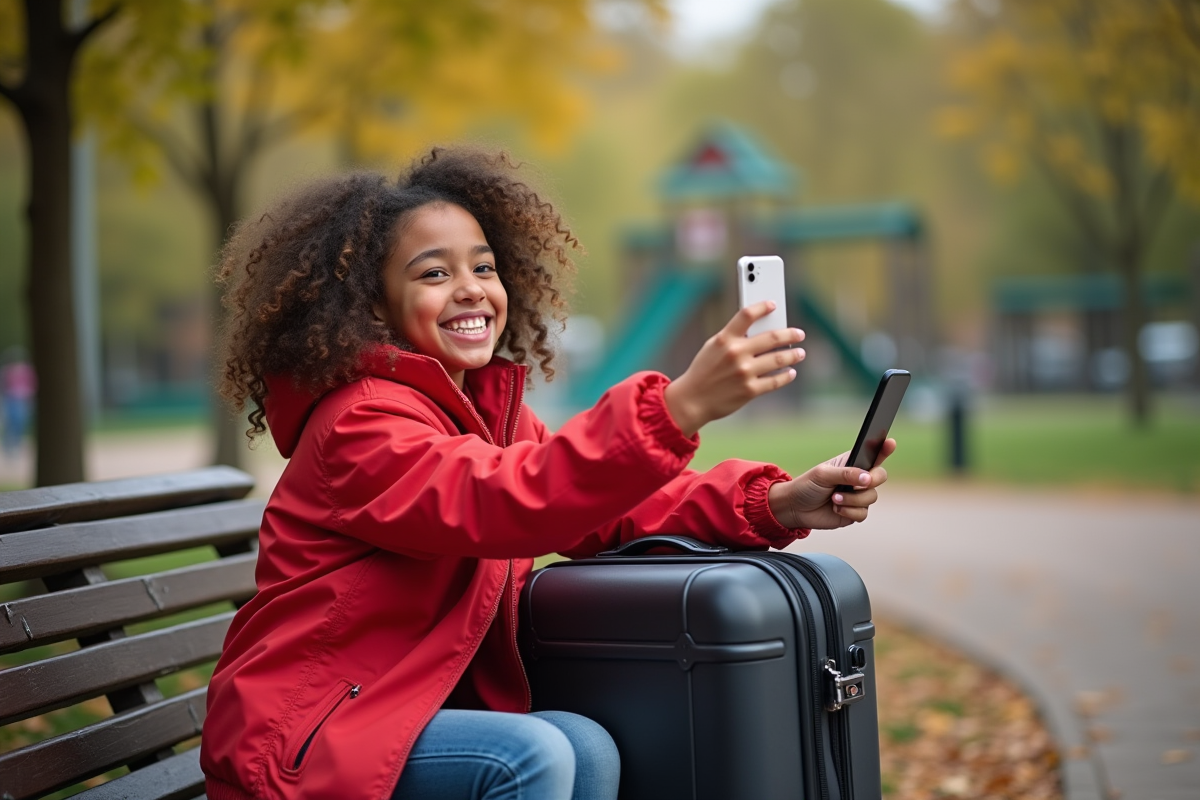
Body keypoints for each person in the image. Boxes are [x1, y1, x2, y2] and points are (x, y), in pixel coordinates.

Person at [200, 148, 896, 800]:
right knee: (532, 756)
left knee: (584, 747)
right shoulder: (359, 424)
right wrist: (678, 407)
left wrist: (777, 502)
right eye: (434, 274)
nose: (471, 291)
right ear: (372, 306)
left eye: (484, 267)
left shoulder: (478, 414)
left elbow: (606, 509)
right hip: (303, 736)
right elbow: (506, 499)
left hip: (393, 710)